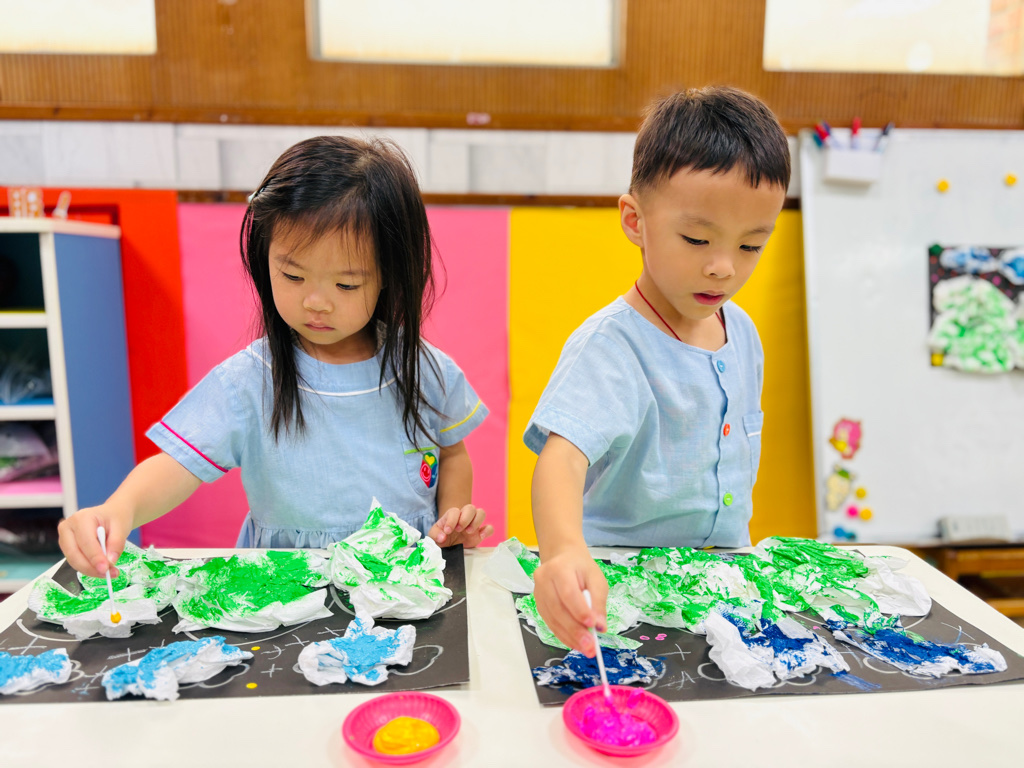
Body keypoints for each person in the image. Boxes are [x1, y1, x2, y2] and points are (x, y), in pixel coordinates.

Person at [59, 135, 492, 578]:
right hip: (288, 586)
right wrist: (119, 509)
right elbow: (178, 465)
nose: (316, 302)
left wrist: (451, 520)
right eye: (293, 275)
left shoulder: (423, 369)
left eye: (346, 285)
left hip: (404, 580)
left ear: (389, 275)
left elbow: (451, 454)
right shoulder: (250, 380)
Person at [525, 87, 791, 655]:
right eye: (697, 239)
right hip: (621, 594)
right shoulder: (612, 345)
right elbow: (561, 460)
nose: (723, 267)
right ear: (635, 220)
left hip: (719, 590)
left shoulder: (742, 332)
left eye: (751, 245)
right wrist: (563, 551)